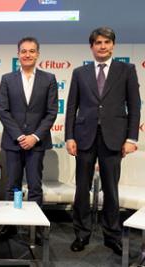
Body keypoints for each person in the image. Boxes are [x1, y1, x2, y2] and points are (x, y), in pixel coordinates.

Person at [65, 27, 141, 255]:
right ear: (91, 47)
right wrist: (69, 136)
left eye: (107, 42)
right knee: (82, 189)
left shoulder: (126, 70)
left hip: (114, 139)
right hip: (84, 137)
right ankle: (81, 234)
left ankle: (112, 235)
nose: (102, 46)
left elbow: (134, 106)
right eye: (98, 42)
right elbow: (71, 107)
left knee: (111, 189)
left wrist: (131, 138)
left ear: (113, 45)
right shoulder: (80, 73)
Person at [0, 37, 58, 241]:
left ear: (38, 54)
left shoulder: (49, 79)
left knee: (34, 187)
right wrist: (20, 136)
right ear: (18, 54)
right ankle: (9, 226)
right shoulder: (7, 79)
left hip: (37, 143)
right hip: (13, 142)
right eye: (24, 51)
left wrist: (34, 136)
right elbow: (3, 111)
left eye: (32, 51)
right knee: (11, 186)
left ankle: (36, 227)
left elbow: (51, 112)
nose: (27, 54)